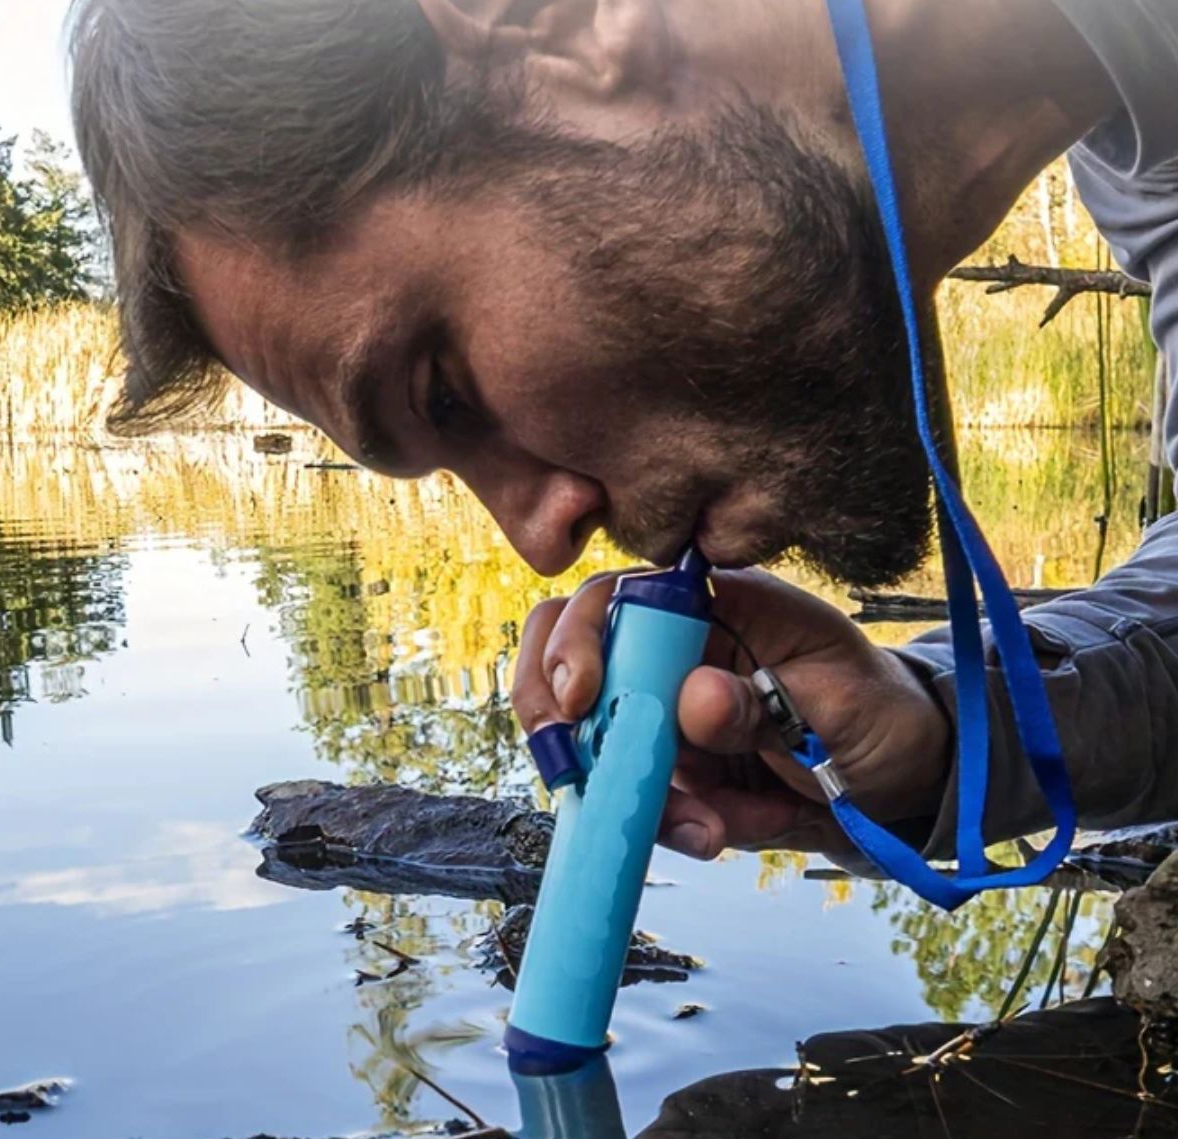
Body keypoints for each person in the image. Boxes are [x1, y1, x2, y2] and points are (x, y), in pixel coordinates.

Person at [68, 0, 1178, 868]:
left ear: (545, 19)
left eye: (444, 393)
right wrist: (933, 733)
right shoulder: (1149, 171)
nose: (541, 544)